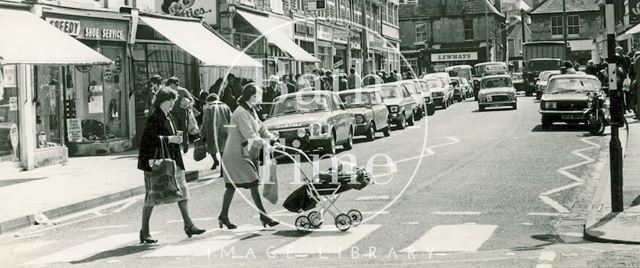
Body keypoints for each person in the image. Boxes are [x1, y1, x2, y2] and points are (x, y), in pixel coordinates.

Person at [137, 88, 206, 244]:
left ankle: (189, 225)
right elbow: (149, 140)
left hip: (172, 161)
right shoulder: (155, 117)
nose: (172, 104)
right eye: (170, 101)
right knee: (152, 197)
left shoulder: (169, 116)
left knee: (182, 192)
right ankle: (144, 231)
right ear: (162, 101)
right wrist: (170, 139)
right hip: (155, 162)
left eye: (174, 101)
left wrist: (176, 139)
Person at [218, 83, 280, 230]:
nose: (259, 98)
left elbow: (261, 127)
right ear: (250, 96)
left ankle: (223, 216)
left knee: (232, 186)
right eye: (256, 96)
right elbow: (250, 134)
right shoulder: (240, 112)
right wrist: (266, 145)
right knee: (252, 182)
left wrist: (272, 137)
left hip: (244, 152)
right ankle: (263, 215)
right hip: (237, 154)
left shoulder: (250, 110)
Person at [200, 93, 231, 174]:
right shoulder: (226, 106)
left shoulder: (209, 108)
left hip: (212, 132)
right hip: (225, 131)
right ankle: (222, 169)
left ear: (209, 101)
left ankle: (216, 161)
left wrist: (202, 133)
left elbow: (205, 122)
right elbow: (231, 118)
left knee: (211, 149)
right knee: (222, 151)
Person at [165, 77, 195, 153]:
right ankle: (176, 146)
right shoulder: (169, 91)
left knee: (184, 128)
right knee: (174, 129)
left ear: (175, 84)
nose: (170, 86)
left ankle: (186, 144)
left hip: (183, 112)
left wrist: (189, 105)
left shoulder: (183, 90)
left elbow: (191, 99)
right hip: (173, 113)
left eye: (171, 84)